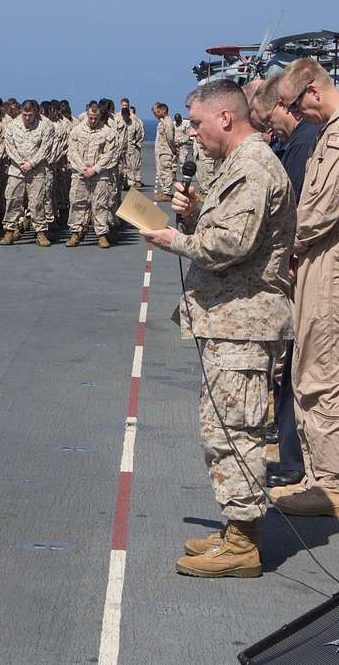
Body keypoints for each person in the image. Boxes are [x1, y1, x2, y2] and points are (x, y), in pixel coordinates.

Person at [141, 79, 295, 578]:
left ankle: (244, 543)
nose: (192, 132)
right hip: (231, 319)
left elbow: (231, 244)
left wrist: (172, 239)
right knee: (224, 426)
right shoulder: (241, 165)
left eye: (197, 122)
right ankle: (236, 528)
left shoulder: (252, 167)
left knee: (237, 430)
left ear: (225, 117)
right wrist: (199, 206)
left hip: (244, 321)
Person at [270, 59, 339, 517]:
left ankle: (328, 484)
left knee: (319, 377)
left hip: (327, 274)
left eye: (296, 105)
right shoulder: (326, 134)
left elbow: (319, 211)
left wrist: (272, 242)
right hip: (315, 266)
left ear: (312, 92)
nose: (297, 115)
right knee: (310, 372)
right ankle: (319, 475)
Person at [248, 75, 313, 490]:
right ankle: (290, 449)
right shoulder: (296, 144)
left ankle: (295, 460)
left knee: (297, 368)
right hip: (294, 269)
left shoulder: (305, 145)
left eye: (265, 117)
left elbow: (300, 213)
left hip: (300, 273)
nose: (265, 128)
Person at [1, 98, 54, 246]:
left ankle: (41, 232)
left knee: (37, 202)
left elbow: (46, 148)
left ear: (36, 112)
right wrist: (20, 163)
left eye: (30, 115)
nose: (27, 118)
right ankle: (9, 231)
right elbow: (9, 147)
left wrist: (32, 163)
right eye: (24, 114)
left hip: (36, 171)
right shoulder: (12, 125)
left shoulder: (46, 125)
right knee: (12, 200)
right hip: (16, 170)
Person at [65, 104, 118, 248]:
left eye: (96, 118)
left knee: (100, 204)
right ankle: (76, 233)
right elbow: (72, 152)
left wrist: (95, 169)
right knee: (78, 203)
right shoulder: (76, 131)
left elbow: (109, 154)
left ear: (100, 117)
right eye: (90, 118)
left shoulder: (108, 132)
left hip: (99, 175)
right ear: (87, 115)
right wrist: (82, 168)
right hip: (80, 174)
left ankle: (101, 235)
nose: (93, 121)